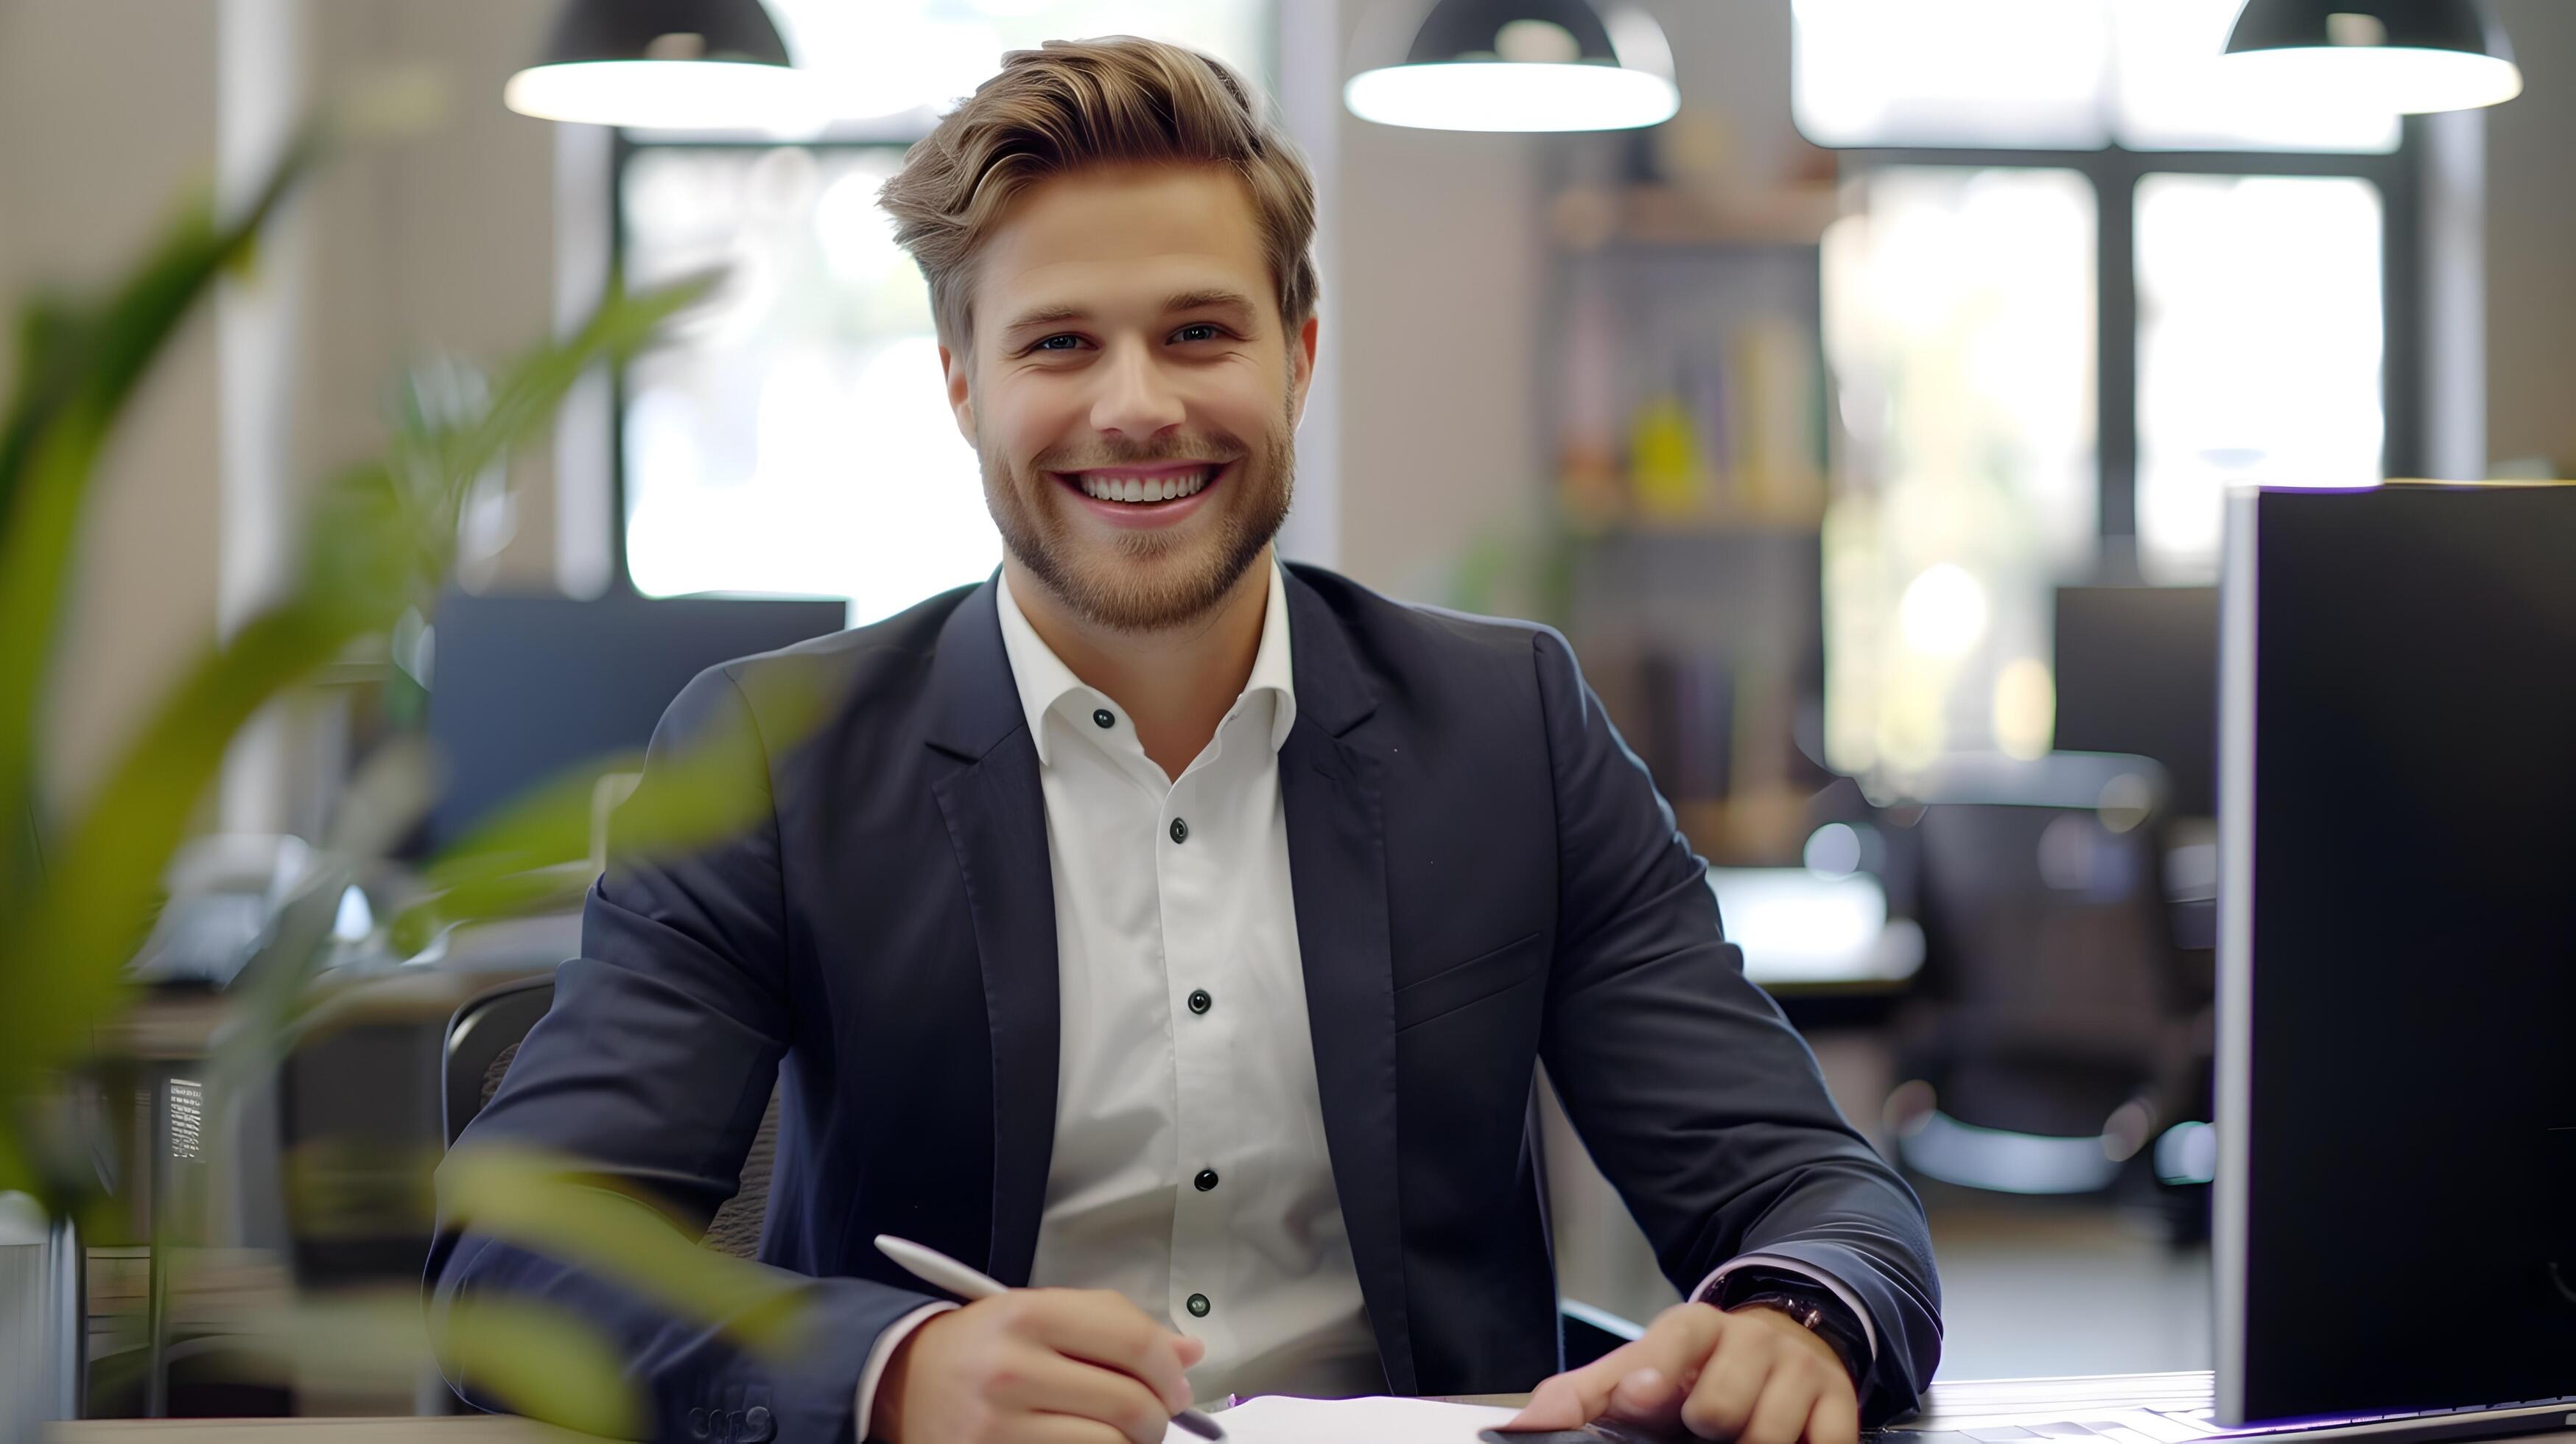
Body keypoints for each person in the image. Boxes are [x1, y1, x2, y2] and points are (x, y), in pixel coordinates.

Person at [427, 35, 1940, 1444]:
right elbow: (521, 1263)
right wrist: (887, 1374)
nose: (1136, 406)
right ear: (964, 383)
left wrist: (1798, 1313)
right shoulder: (774, 751)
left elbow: (1820, 1196)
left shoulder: (1510, 729)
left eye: (1199, 331)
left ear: (1299, 352)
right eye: (1061, 344)